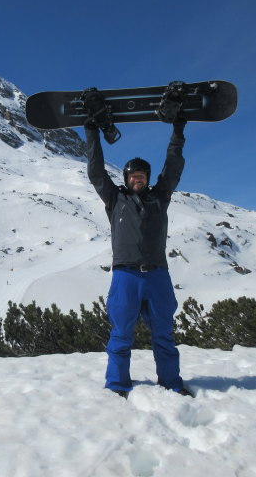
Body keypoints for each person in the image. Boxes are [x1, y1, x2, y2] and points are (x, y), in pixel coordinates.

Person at [84, 104, 192, 399]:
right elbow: (95, 171)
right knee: (120, 336)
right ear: (126, 178)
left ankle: (171, 384)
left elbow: (174, 166)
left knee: (164, 336)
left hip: (157, 275)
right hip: (125, 277)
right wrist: (91, 130)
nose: (138, 179)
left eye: (143, 175)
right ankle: (117, 386)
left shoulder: (160, 197)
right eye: (133, 175)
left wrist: (178, 130)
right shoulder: (115, 199)